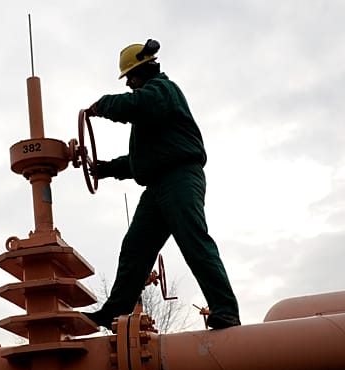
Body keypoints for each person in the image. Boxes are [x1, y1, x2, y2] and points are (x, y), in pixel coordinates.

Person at [83, 39, 240, 330]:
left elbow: (136, 104)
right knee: (135, 249)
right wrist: (106, 169)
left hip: (180, 178)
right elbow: (143, 161)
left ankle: (226, 310)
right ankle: (115, 312)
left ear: (145, 69)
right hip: (158, 185)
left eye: (130, 75)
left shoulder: (162, 92)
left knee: (194, 241)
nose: (129, 83)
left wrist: (101, 106)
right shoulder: (153, 111)